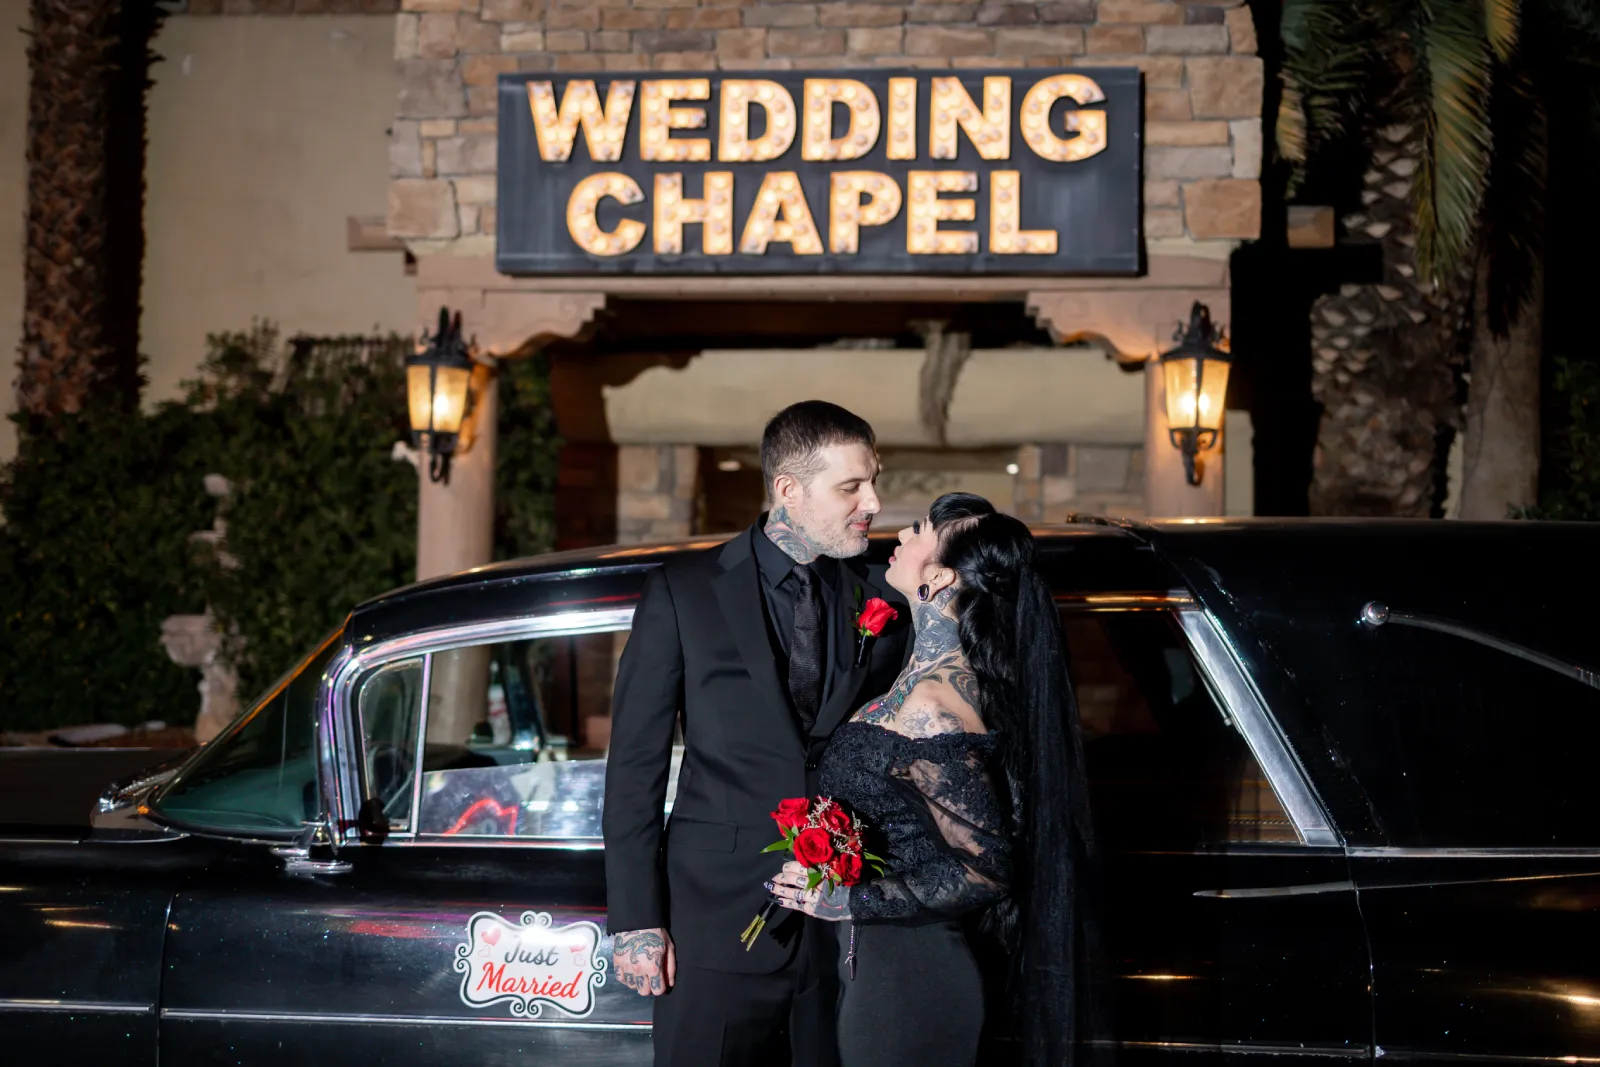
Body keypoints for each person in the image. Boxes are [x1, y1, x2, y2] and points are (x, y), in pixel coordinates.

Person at [603, 400, 913, 1067]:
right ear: (788, 490)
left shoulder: (881, 593)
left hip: (844, 930)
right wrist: (635, 919)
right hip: (713, 926)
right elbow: (635, 766)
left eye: (874, 479)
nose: (874, 501)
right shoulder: (683, 591)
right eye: (851, 486)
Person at [767, 492, 1096, 1067]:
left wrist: (851, 897)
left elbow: (985, 869)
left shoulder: (935, 703)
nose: (901, 535)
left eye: (917, 530)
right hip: (875, 965)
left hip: (911, 978)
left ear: (940, 577)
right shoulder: (916, 677)